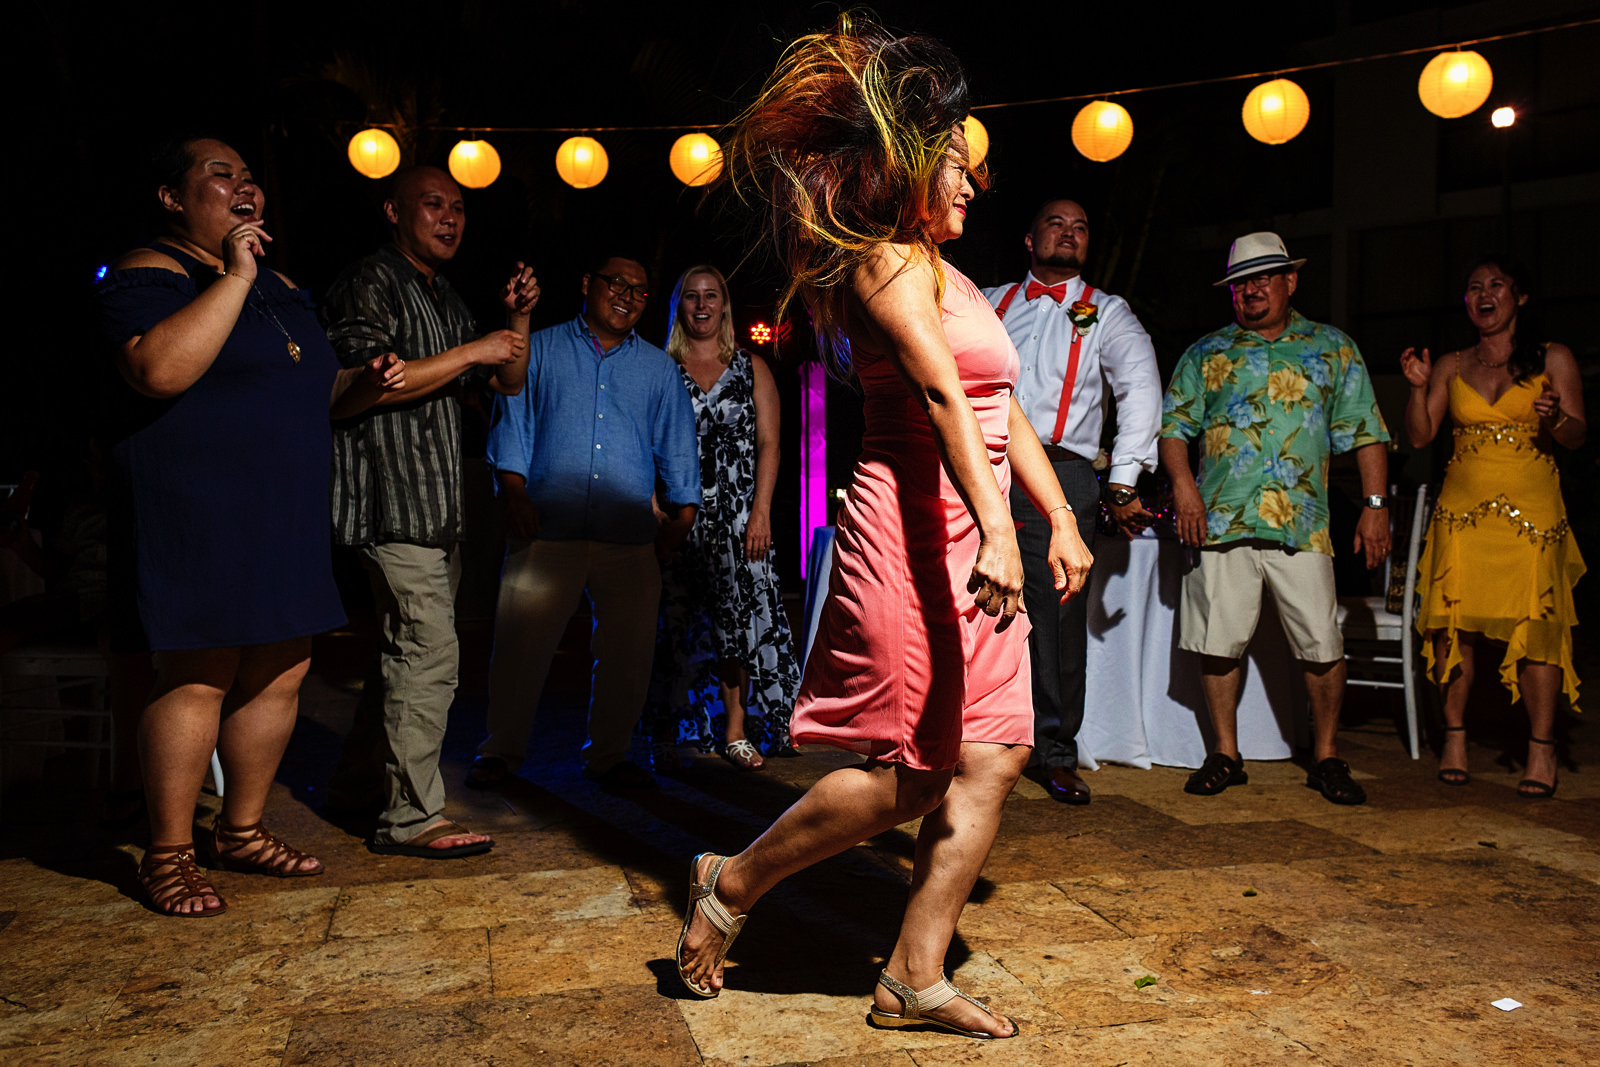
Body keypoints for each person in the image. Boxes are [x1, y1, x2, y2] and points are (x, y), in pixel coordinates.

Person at [674, 17, 1092, 1039]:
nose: (971, 185)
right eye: (957, 165)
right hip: (911, 539)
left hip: (980, 528)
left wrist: (1058, 515)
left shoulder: (957, 282)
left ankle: (911, 973)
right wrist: (999, 531)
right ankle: (732, 878)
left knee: (994, 753)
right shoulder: (881, 267)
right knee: (911, 772)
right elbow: (945, 402)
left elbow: (1002, 415)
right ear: (905, 169)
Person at [96, 136, 406, 916]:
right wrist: (234, 275)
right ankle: (168, 852)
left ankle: (239, 829)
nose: (246, 188)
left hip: (284, 507)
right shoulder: (151, 271)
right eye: (221, 175)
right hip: (200, 508)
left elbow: (317, 390)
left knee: (282, 666)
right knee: (199, 671)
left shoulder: (280, 284)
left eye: (250, 178)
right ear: (173, 197)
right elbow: (158, 369)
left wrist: (365, 383)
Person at [321, 166, 539, 858]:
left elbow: (507, 378)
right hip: (390, 502)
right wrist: (476, 347)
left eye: (459, 208)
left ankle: (360, 789)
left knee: (401, 657)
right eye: (433, 204)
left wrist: (517, 321)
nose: (450, 218)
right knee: (429, 653)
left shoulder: (441, 296)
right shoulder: (370, 281)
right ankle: (411, 816)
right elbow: (359, 386)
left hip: (437, 507)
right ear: (393, 210)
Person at [1159, 232, 1391, 806]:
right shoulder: (1206, 353)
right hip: (1222, 519)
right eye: (1242, 281)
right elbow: (1174, 429)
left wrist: (1375, 507)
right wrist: (1185, 489)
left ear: (1291, 281)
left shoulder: (1333, 349)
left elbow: (1366, 432)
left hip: (1302, 521)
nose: (1253, 288)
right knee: (1218, 642)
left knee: (1321, 643)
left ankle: (1328, 755)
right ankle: (1226, 754)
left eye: (1266, 277)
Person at [467, 254, 700, 790]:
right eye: (616, 283)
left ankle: (610, 756)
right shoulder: (540, 348)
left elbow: (677, 445)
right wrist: (514, 492)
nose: (627, 295)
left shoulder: (659, 369)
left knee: (626, 654)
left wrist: (682, 516)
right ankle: (500, 752)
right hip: (546, 529)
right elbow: (513, 421)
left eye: (639, 290)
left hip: (629, 537)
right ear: (586, 284)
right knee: (521, 646)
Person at [983, 199, 1162, 804]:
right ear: (1029, 239)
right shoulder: (988, 302)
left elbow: (1140, 387)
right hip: (979, 469)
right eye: (1057, 224)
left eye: (1082, 226)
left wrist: (1125, 478)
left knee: (1054, 616)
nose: (1070, 233)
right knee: (968, 600)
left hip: (1061, 474)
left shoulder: (1107, 312)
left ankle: (1054, 751)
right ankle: (971, 737)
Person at [1401, 257, 1585, 797]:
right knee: (1453, 631)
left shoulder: (1554, 358)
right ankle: (1454, 738)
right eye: (1474, 287)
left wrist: (1554, 418)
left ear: (1520, 297)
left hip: (1531, 520)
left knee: (1538, 631)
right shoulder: (1452, 364)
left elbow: (1576, 434)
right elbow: (1420, 437)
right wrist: (1416, 388)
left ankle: (1541, 750)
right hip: (1462, 519)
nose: (1484, 294)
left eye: (1496, 285)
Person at [644, 265, 801, 771]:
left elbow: (771, 444)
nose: (702, 304)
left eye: (712, 295)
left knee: (738, 625)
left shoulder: (751, 366)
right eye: (692, 296)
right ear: (679, 306)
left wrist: (761, 515)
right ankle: (667, 728)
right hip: (677, 516)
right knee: (672, 624)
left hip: (739, 519)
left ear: (725, 306)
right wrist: (650, 506)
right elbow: (642, 444)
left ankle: (735, 731)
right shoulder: (658, 368)